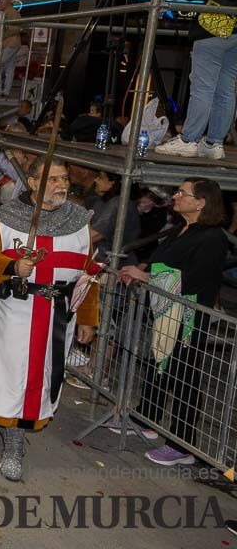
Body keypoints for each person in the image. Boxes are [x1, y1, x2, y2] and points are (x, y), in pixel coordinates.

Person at [0, 158, 99, 480]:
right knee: (13, 378)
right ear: (33, 183)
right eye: (53, 179)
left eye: (64, 179)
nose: (61, 185)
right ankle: (13, 441)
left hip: (60, 314)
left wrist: (88, 318)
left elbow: (88, 273)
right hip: (18, 312)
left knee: (43, 377)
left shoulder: (79, 221)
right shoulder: (5, 217)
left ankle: (17, 428)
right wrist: (11, 267)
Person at [122, 178, 229, 467]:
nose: (176, 196)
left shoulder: (213, 238)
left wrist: (146, 277)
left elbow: (194, 279)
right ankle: (146, 418)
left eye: (183, 193)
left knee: (184, 376)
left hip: (188, 318)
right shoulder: (181, 229)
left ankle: (181, 444)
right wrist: (142, 268)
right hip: (165, 311)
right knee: (159, 363)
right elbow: (160, 260)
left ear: (202, 202)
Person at [151, 0, 237, 160]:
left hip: (215, 25)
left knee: (203, 87)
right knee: (226, 90)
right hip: (236, 32)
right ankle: (214, 143)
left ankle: (189, 140)